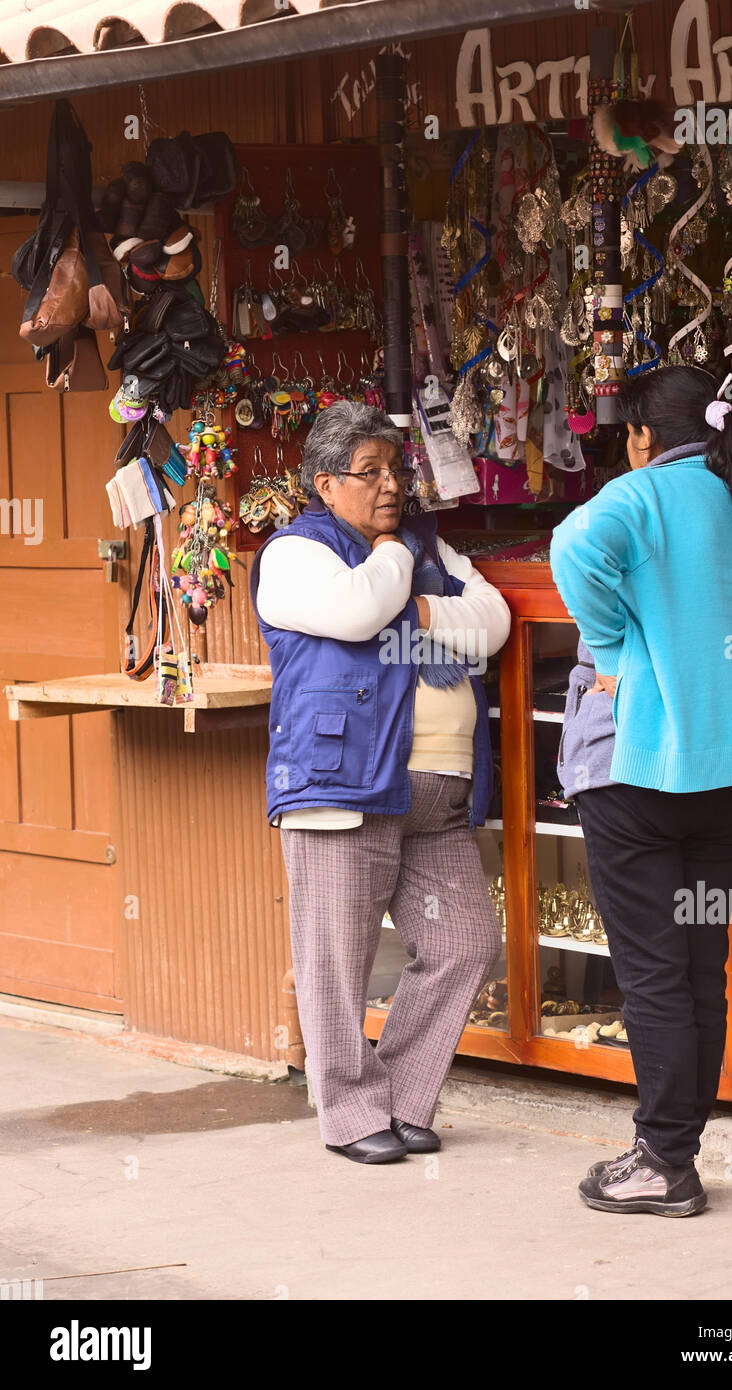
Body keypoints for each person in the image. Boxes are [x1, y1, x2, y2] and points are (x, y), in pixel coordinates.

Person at [250, 401, 511, 1165]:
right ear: (326, 485)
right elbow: (360, 613)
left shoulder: (432, 547)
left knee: (465, 942)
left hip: (436, 791)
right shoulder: (294, 552)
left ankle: (396, 1099)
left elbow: (490, 623)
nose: (391, 484)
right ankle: (350, 1114)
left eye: (396, 469)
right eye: (371, 473)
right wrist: (398, 563)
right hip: (344, 783)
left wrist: (420, 602)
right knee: (336, 957)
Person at [550, 366, 732, 1217]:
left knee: (651, 974)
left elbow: (571, 546)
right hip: (728, 779)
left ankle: (663, 1161)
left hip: (641, 773)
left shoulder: (644, 496)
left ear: (644, 436)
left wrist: (610, 652)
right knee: (695, 967)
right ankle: (675, 1153)